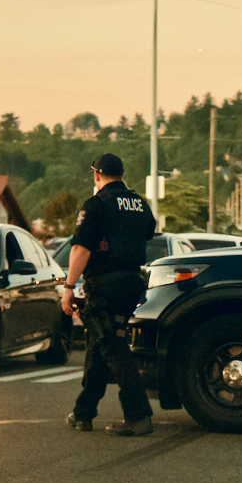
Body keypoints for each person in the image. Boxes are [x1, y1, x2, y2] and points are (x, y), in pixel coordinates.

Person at [61, 153, 157, 436]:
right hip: (132, 282)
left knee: (112, 347)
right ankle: (83, 413)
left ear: (96, 175)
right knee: (99, 344)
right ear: (122, 173)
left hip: (105, 284)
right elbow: (149, 233)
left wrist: (68, 288)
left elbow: (81, 248)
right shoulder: (140, 203)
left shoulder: (96, 204)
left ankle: (138, 415)